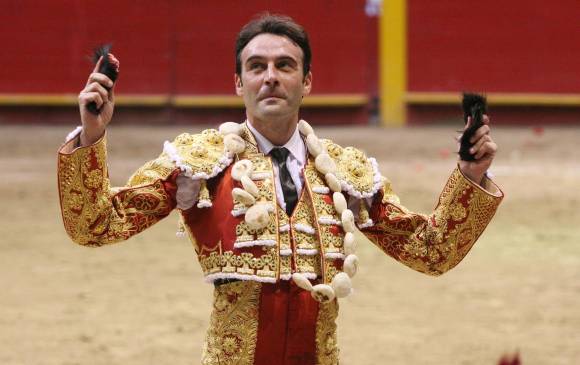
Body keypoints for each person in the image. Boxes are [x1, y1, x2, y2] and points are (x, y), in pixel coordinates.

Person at [57, 14, 503, 365]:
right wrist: (92, 136)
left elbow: (431, 252)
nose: (270, 76)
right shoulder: (200, 161)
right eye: (256, 67)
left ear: (306, 81)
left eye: (284, 66)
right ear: (239, 83)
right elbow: (94, 226)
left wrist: (470, 177)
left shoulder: (344, 173)